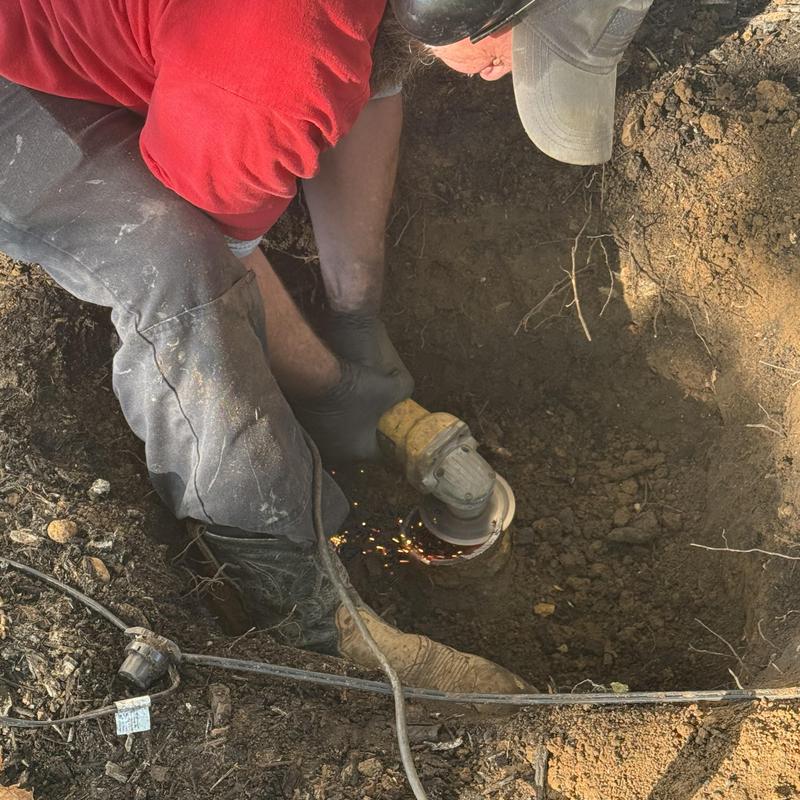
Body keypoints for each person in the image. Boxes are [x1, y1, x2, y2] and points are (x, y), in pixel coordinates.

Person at [0, 0, 651, 693]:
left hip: (164, 50)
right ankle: (298, 604)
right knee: (173, 261)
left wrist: (355, 313)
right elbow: (220, 265)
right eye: (520, 45)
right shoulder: (272, 63)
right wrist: (329, 386)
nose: (504, 72)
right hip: (18, 78)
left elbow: (370, 80)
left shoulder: (371, 20)